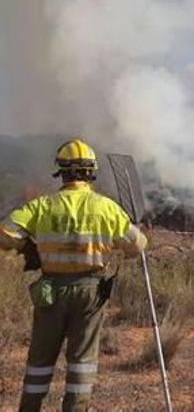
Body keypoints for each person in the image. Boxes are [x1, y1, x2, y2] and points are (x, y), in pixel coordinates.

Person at [0, 139, 148, 412]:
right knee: (81, 362)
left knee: (40, 361)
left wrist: (27, 244)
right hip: (90, 293)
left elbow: (6, 234)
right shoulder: (106, 208)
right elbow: (137, 245)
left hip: (50, 291)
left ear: (61, 172)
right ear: (91, 171)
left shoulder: (41, 206)